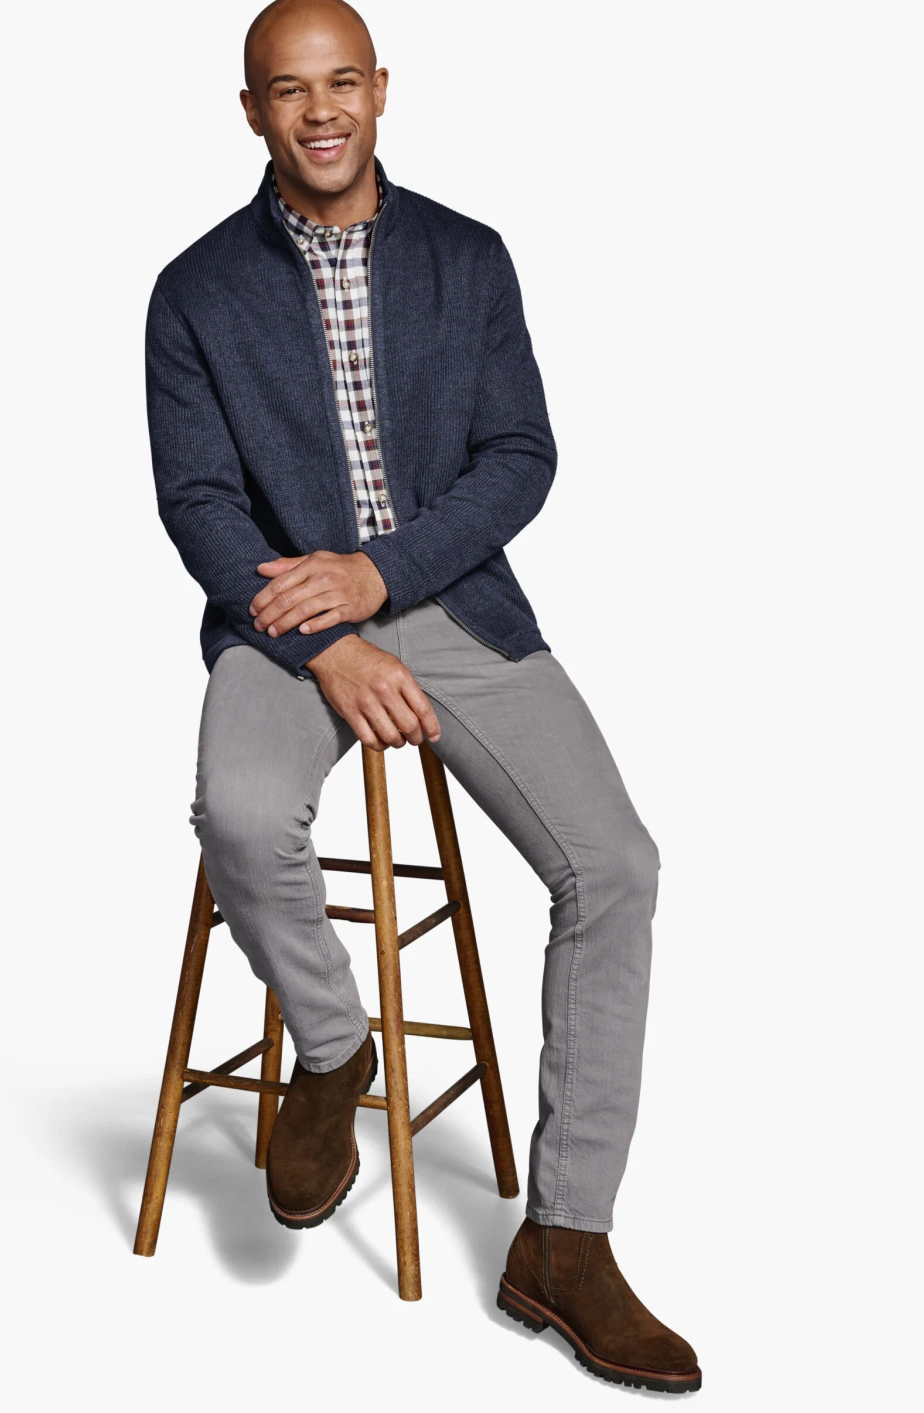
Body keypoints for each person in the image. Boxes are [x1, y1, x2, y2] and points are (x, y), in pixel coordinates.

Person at [145, 0, 700, 1392]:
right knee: (239, 809)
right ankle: (335, 1052)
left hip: (451, 599)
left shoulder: (468, 256)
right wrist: (327, 639)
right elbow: (199, 501)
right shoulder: (195, 290)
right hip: (281, 616)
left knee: (617, 868)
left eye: (342, 82)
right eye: (289, 90)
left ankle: (565, 1239)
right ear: (252, 110)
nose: (320, 111)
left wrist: (382, 577)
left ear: (382, 90)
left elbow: (520, 454)